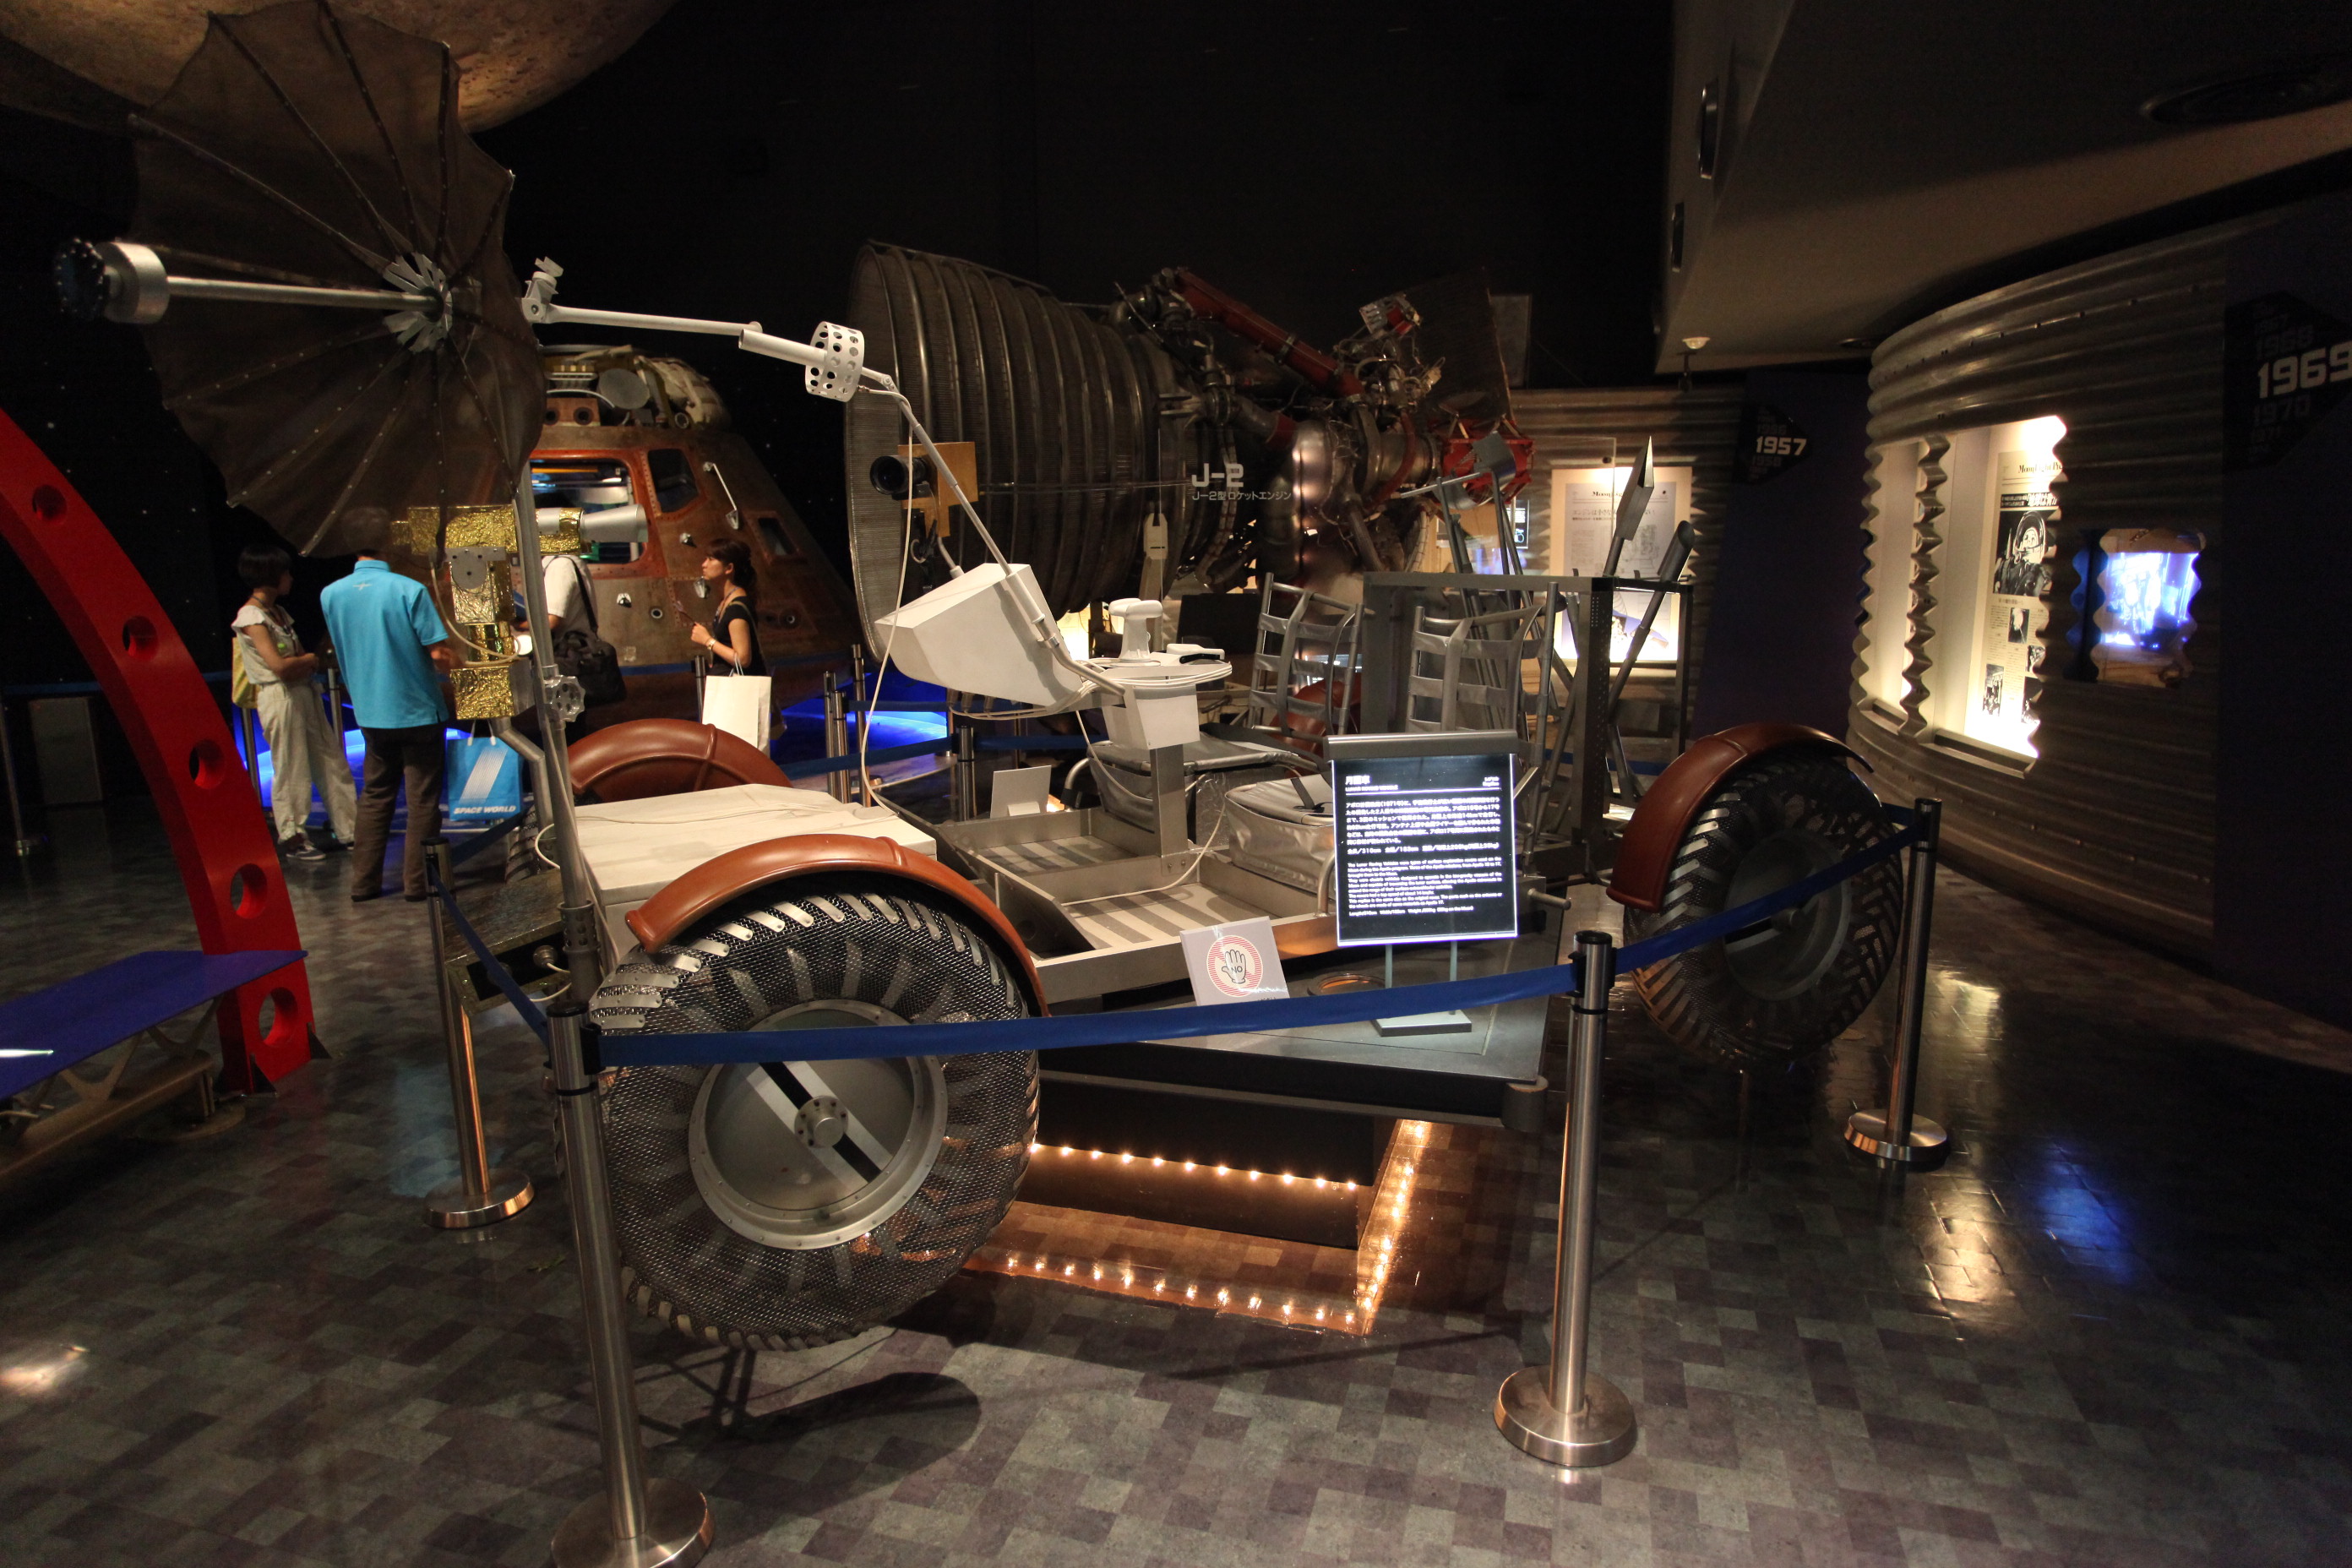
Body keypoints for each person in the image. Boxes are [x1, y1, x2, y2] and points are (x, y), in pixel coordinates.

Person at [319, 525, 458, 902]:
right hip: (417, 711)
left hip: (370, 713)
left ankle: (363, 883)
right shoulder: (409, 590)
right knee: (422, 800)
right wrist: (459, 663)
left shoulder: (330, 594)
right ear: (388, 546)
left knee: (375, 796)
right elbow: (437, 652)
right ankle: (418, 883)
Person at [232, 544, 357, 861]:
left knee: (331, 761)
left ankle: (350, 829)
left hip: (303, 692)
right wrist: (308, 660)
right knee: (291, 767)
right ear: (271, 575)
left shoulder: (279, 614)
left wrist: (302, 662)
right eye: (285, 572)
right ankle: (293, 836)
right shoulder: (251, 616)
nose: (290, 578)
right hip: (279, 696)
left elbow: (296, 659)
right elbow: (279, 666)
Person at [689, 536, 767, 677]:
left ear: (729, 568)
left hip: (737, 686)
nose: (704, 565)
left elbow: (743, 659)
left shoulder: (737, 608)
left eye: (711, 559)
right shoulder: (726, 602)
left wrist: (707, 640)